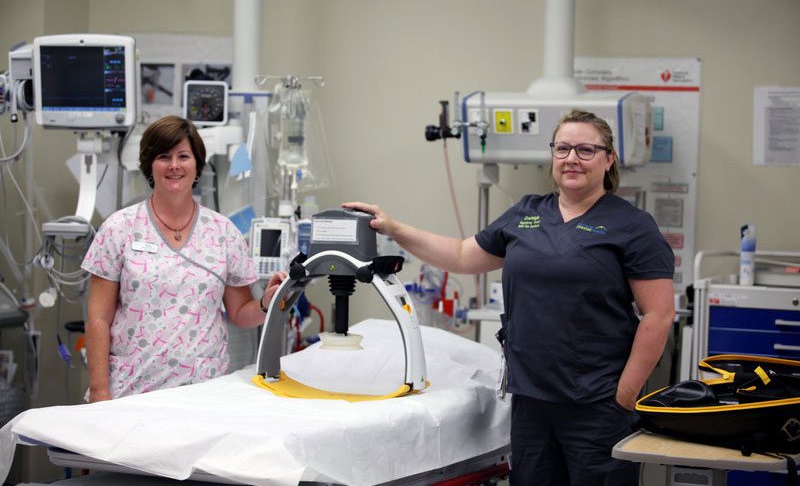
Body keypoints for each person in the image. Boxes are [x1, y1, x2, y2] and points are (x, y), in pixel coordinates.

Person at [344, 108, 675, 485]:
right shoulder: (527, 214)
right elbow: (462, 254)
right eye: (562, 148)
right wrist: (394, 228)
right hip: (530, 400)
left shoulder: (630, 225)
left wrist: (625, 394)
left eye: (586, 150)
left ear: (608, 158)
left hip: (596, 403)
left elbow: (659, 315)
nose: (571, 159)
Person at [82, 115, 285, 403]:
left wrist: (268, 302)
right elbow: (98, 319)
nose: (174, 165)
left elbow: (240, 313)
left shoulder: (223, 232)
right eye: (164, 156)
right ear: (150, 165)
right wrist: (100, 392)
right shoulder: (119, 229)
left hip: (202, 392)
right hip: (131, 391)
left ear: (198, 164)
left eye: (183, 156)